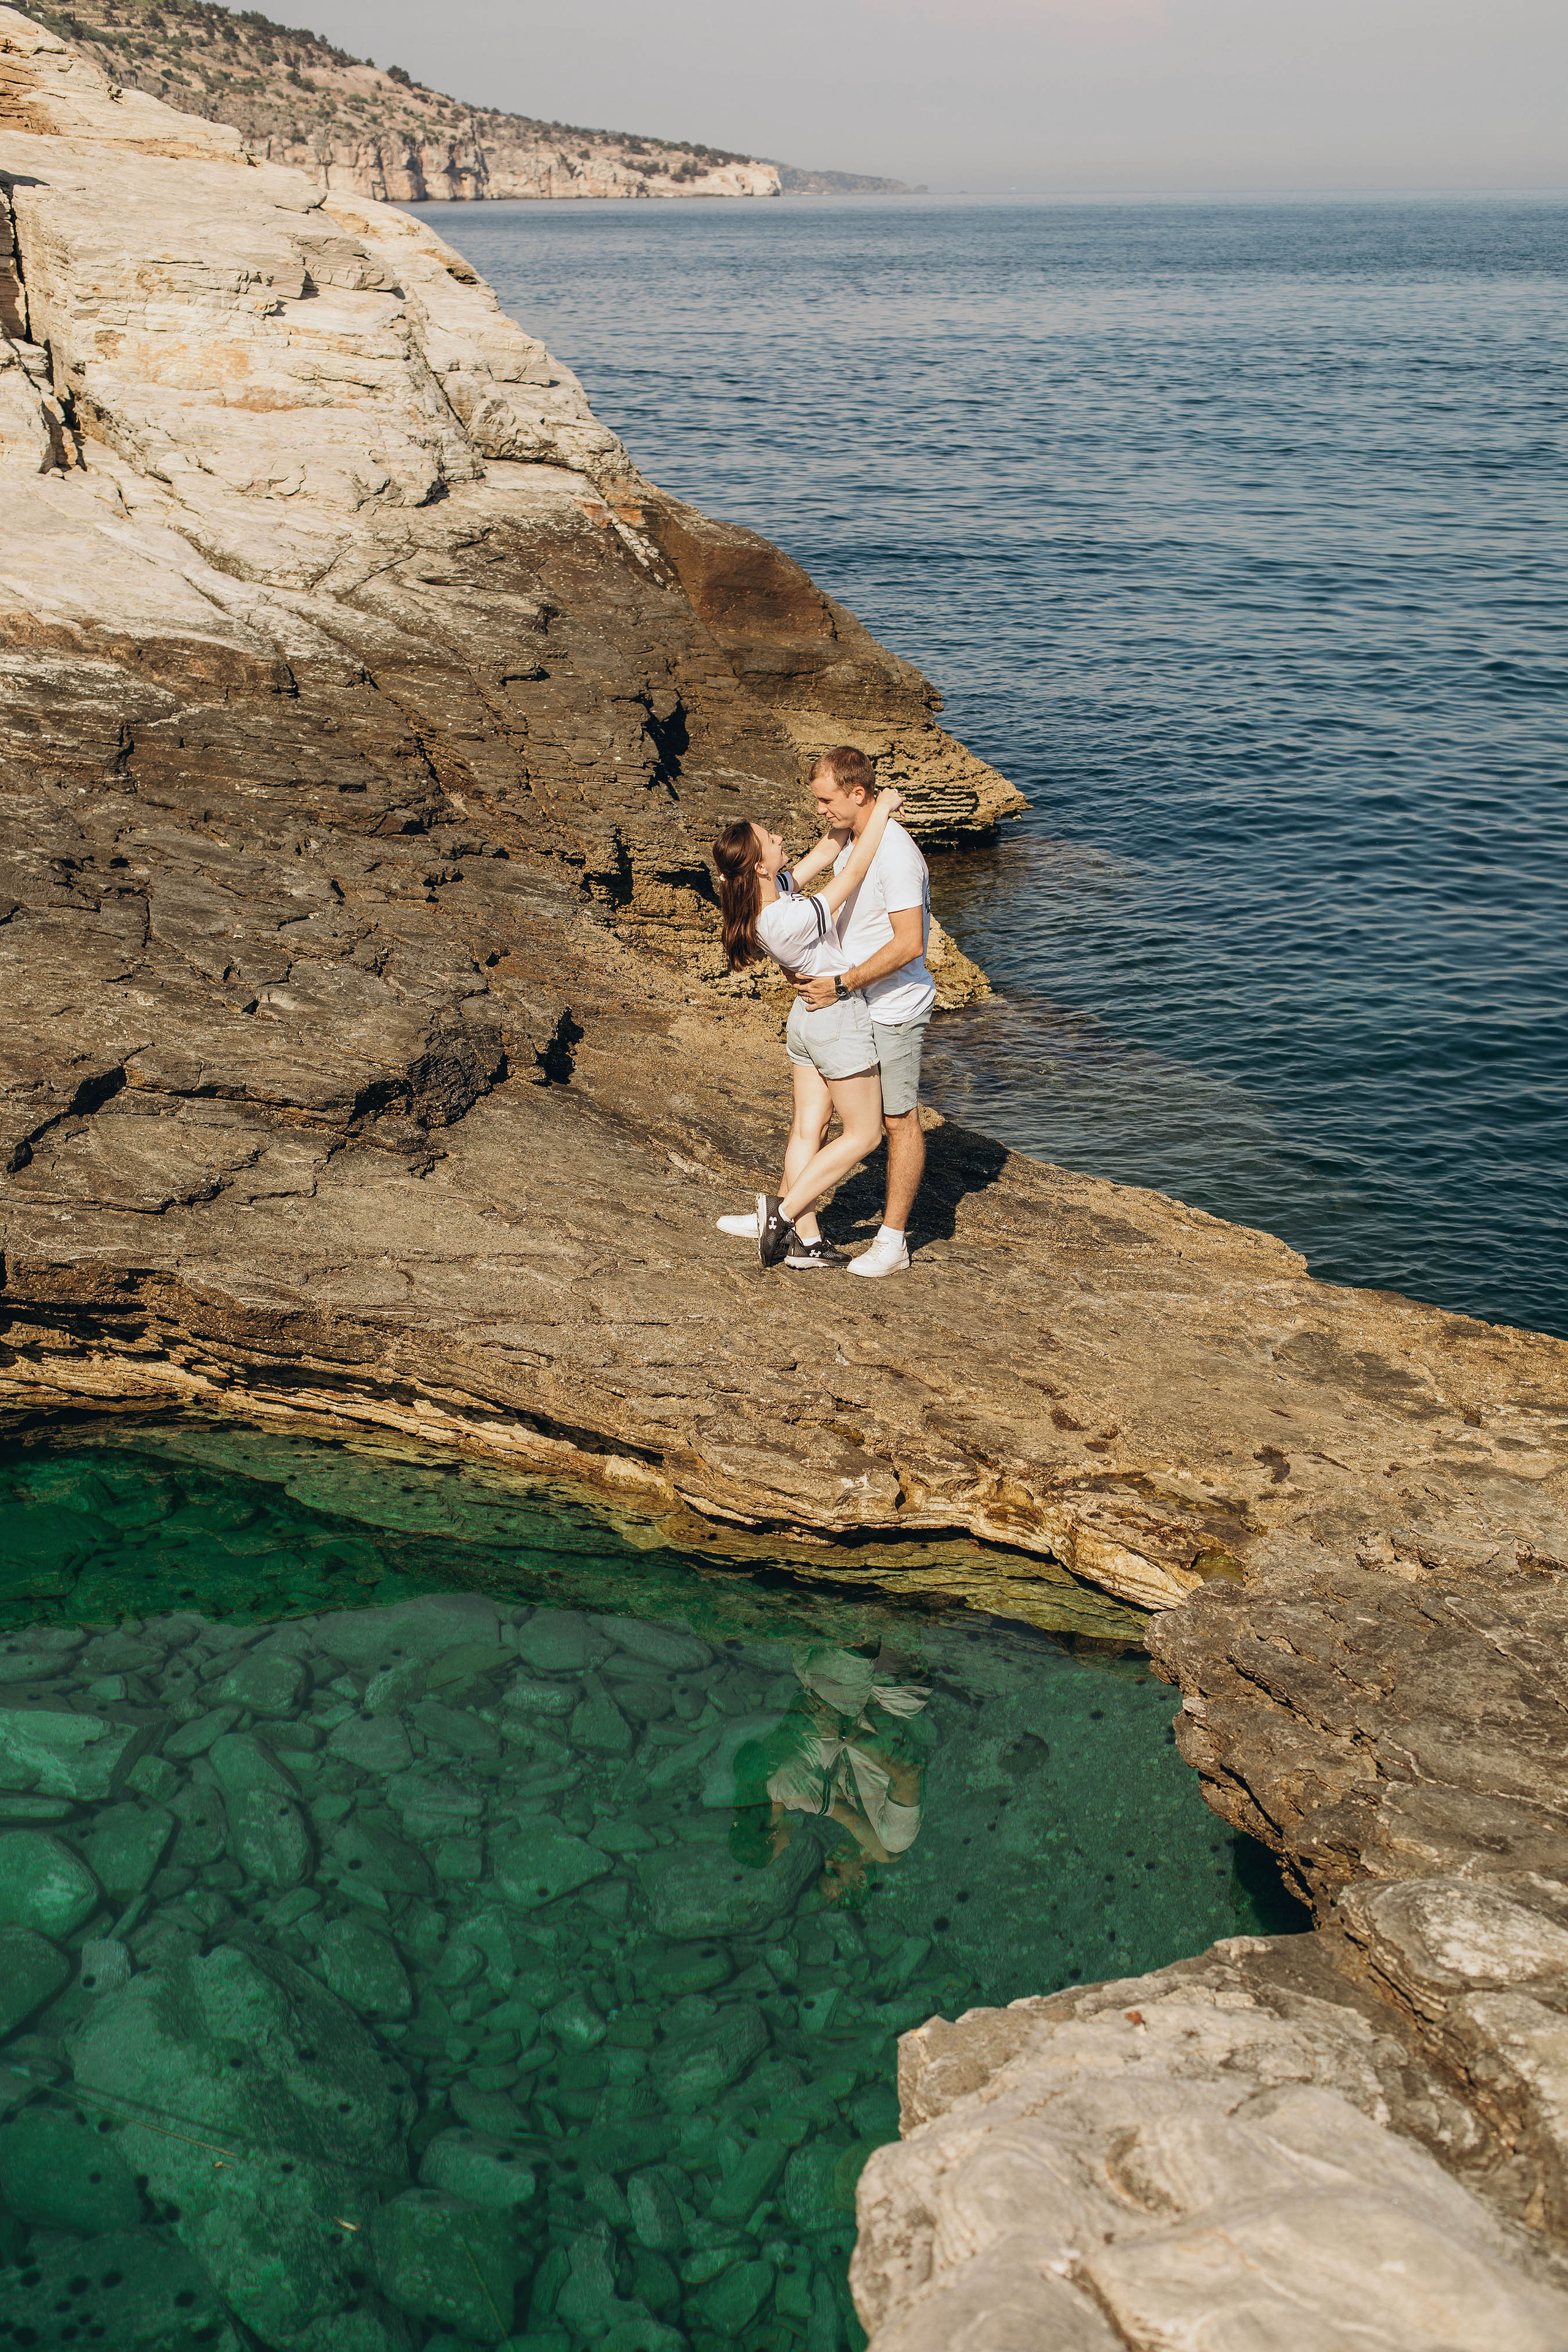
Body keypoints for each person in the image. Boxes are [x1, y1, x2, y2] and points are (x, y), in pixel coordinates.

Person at [712, 785, 906, 1270]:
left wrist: (844, 816)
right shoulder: (789, 916)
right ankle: (784, 1214)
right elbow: (856, 870)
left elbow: (826, 851)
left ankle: (808, 1241)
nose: (780, 838)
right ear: (758, 866)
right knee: (865, 1136)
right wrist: (881, 808)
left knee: (807, 1130)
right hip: (835, 1021)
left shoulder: (767, 901)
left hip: (804, 1022)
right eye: (770, 839)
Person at [791, 747, 935, 1280]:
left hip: (892, 1007)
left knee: (898, 1121)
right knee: (819, 1114)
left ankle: (892, 1241)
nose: (821, 811)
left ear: (858, 794)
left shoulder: (896, 855)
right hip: (849, 1002)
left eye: (827, 801)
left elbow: (910, 944)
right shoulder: (850, 838)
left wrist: (840, 983)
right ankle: (790, 1217)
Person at [727, 1643, 929, 1904]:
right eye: (833, 1871)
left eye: (826, 1868)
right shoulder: (894, 1837)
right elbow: (905, 1776)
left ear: (771, 1835)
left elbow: (848, 1816)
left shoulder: (791, 1794)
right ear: (861, 1879)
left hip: (840, 1683)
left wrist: (885, 1855)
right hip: (833, 1678)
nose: (828, 1859)